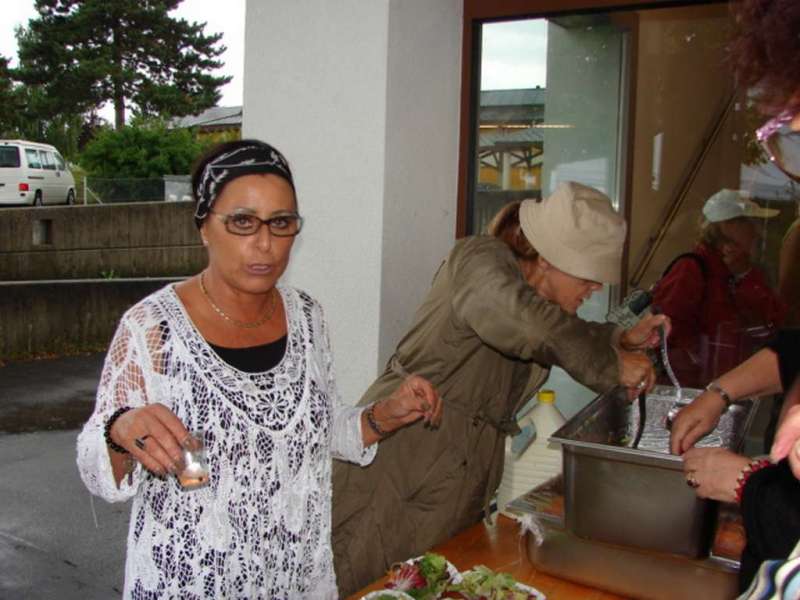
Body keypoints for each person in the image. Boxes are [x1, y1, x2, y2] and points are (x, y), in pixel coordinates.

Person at [76, 139, 443, 599]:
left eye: (281, 223)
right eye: (243, 222)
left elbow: (318, 433)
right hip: (190, 585)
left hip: (294, 581)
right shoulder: (153, 327)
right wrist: (119, 429)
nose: (265, 244)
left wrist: (383, 416)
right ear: (204, 227)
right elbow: (96, 471)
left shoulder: (307, 317)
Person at [332, 181, 669, 595]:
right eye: (588, 276)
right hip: (400, 463)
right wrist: (611, 364)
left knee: (431, 586)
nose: (595, 289)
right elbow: (527, 323)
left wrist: (619, 340)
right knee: (359, 581)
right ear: (547, 259)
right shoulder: (478, 260)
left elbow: (553, 328)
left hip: (459, 478)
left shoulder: (536, 304)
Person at [651, 188, 786, 389]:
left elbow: (772, 323)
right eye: (751, 223)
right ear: (728, 226)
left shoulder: (745, 273)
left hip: (735, 386)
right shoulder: (691, 269)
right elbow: (667, 335)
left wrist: (744, 275)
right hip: (694, 391)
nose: (758, 231)